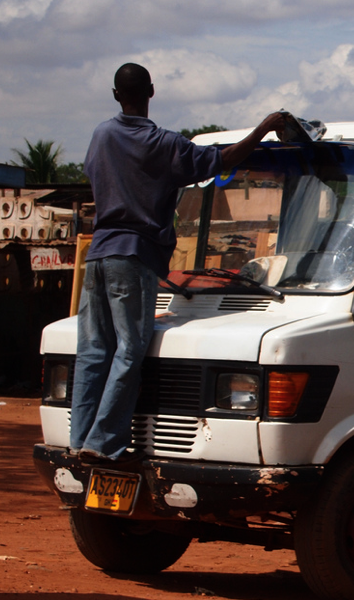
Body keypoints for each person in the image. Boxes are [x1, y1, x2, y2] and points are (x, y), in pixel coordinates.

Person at [70, 63, 285, 464]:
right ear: (151, 91)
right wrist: (263, 129)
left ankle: (80, 438)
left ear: (116, 95)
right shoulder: (163, 144)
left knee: (93, 351)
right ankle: (101, 444)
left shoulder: (101, 135)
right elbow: (222, 160)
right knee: (129, 351)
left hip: (98, 254)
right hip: (134, 256)